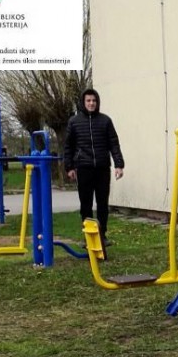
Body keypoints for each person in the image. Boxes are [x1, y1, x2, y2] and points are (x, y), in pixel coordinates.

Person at [63, 88, 125, 246]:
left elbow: (114, 143)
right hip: (83, 168)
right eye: (88, 101)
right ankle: (88, 237)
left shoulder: (105, 121)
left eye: (94, 101)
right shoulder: (74, 122)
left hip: (102, 168)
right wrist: (69, 167)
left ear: (97, 102)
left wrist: (119, 164)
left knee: (103, 203)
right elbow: (68, 146)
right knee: (86, 204)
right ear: (83, 103)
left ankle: (102, 235)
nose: (91, 103)